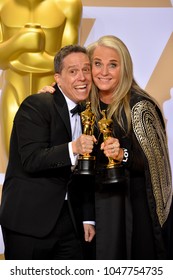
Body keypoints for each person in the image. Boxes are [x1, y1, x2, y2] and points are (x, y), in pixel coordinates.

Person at [38, 35, 173, 260]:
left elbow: (156, 168)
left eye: (113, 65)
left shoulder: (140, 107)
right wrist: (51, 98)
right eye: (97, 64)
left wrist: (122, 154)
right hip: (89, 209)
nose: (104, 72)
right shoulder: (82, 104)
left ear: (125, 68)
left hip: (132, 211)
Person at [0, 44, 96, 260]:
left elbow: (84, 175)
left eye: (86, 70)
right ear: (57, 78)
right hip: (29, 223)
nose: (82, 77)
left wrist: (88, 218)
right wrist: (74, 147)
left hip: (71, 221)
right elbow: (32, 159)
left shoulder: (89, 113)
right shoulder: (36, 105)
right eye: (73, 71)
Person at [0, 0, 82, 158]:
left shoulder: (68, 4)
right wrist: (18, 42)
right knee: (15, 158)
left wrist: (18, 58)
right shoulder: (2, 4)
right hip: (14, 90)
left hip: (52, 95)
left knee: (52, 159)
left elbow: (69, 63)